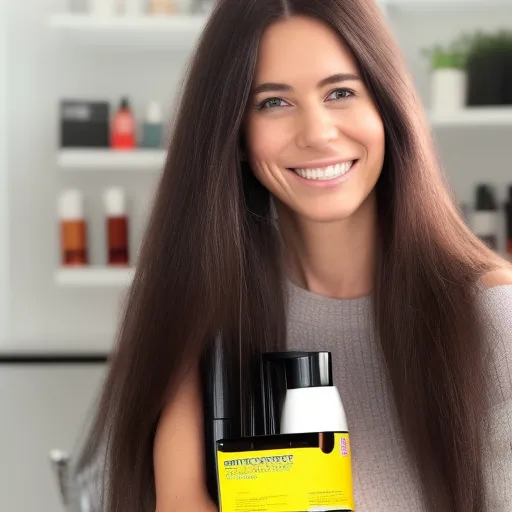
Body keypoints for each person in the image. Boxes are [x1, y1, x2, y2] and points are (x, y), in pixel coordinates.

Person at [76, 0, 512, 511]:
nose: (318, 133)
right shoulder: (199, 319)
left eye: (341, 92)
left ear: (388, 107)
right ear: (233, 133)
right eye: (273, 103)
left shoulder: (493, 318)